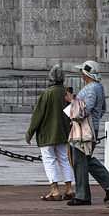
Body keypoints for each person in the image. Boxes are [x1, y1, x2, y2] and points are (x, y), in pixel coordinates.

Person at [67, 60, 109, 206]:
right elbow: (102, 109)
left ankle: (83, 196)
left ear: (86, 74)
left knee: (79, 161)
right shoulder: (99, 87)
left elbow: (84, 110)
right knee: (86, 159)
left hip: (84, 129)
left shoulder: (91, 89)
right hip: (90, 128)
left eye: (82, 73)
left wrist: (72, 100)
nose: (81, 75)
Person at [25, 65, 74, 201]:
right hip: (63, 133)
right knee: (64, 160)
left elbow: (38, 115)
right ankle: (69, 188)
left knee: (49, 161)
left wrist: (30, 133)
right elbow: (71, 113)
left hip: (47, 134)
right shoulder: (66, 93)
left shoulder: (47, 93)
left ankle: (55, 190)